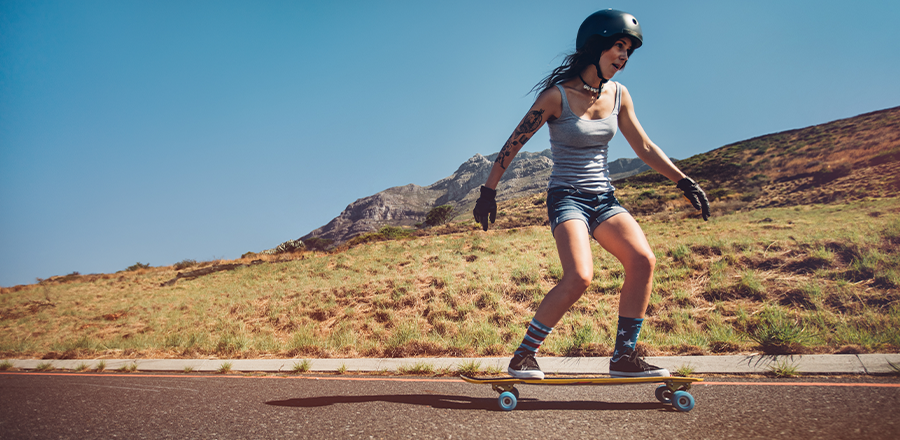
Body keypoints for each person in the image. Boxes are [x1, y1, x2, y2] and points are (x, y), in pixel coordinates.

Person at [473, 9, 710, 379]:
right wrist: (488, 192)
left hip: (604, 198)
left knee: (643, 261)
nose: (624, 57)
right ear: (596, 46)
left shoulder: (618, 94)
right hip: (566, 196)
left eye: (629, 50)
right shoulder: (556, 97)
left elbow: (644, 146)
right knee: (580, 276)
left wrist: (684, 182)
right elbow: (513, 143)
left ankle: (624, 357)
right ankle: (523, 355)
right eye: (619, 46)